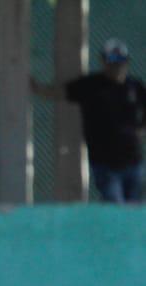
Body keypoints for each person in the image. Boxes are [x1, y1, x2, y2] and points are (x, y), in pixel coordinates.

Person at [31, 38, 146, 203]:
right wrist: (37, 88)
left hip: (133, 162)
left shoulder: (134, 86)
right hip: (105, 164)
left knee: (134, 210)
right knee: (114, 206)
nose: (117, 65)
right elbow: (60, 93)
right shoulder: (91, 85)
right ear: (103, 61)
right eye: (112, 60)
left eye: (121, 60)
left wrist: (142, 128)